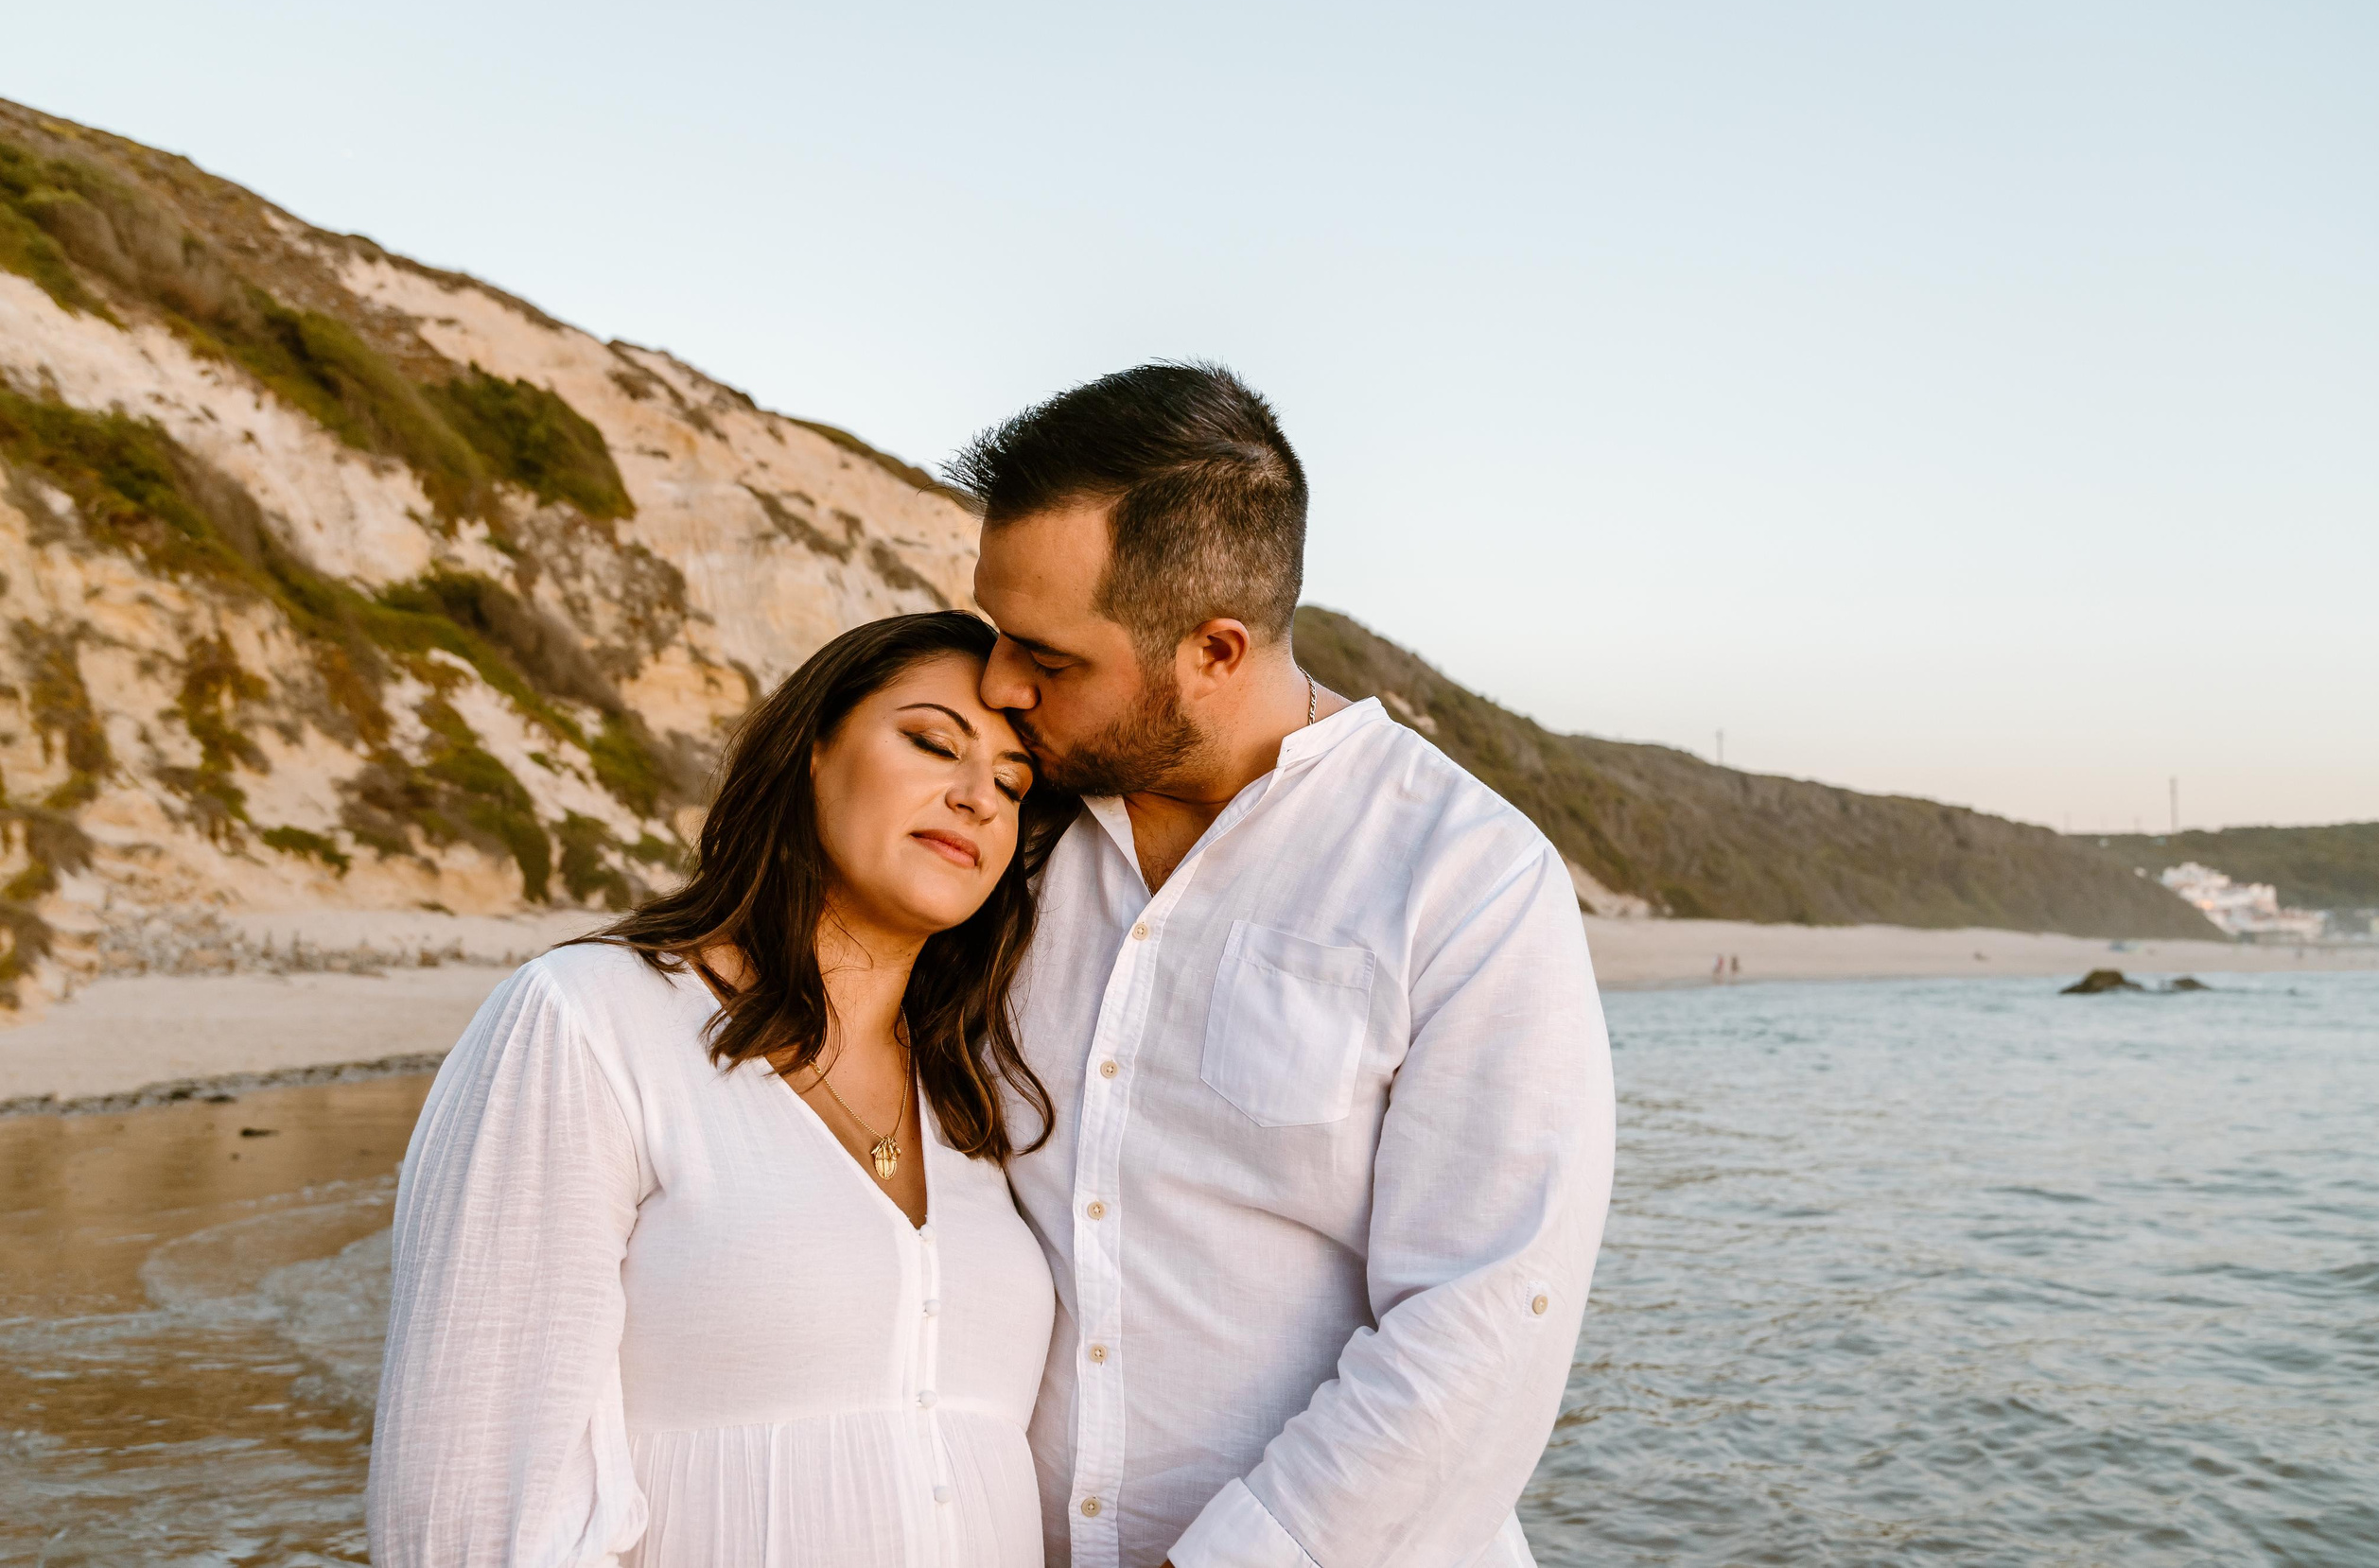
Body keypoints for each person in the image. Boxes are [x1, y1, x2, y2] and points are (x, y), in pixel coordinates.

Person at [956, 362, 1618, 1568]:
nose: (999, 684)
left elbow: (1482, 1324)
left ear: (1214, 649)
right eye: (997, 635)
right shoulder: (1004, 830)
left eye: (1048, 657)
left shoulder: (1464, 877)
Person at [367, 611, 1072, 1567]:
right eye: (933, 743)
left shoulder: (977, 1094)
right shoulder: (590, 1019)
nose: (977, 798)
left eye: (1013, 783)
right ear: (811, 753)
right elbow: (472, 1510)